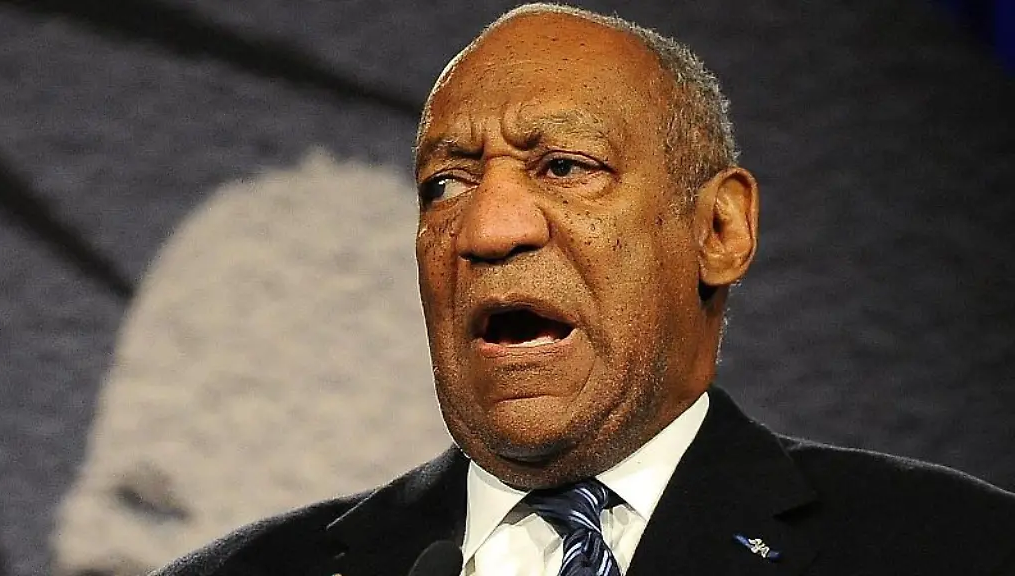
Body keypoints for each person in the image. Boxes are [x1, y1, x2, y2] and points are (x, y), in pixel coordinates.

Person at [152, 4, 1015, 576]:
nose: (487, 230)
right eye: (446, 184)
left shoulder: (955, 550)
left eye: (564, 167)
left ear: (720, 230)